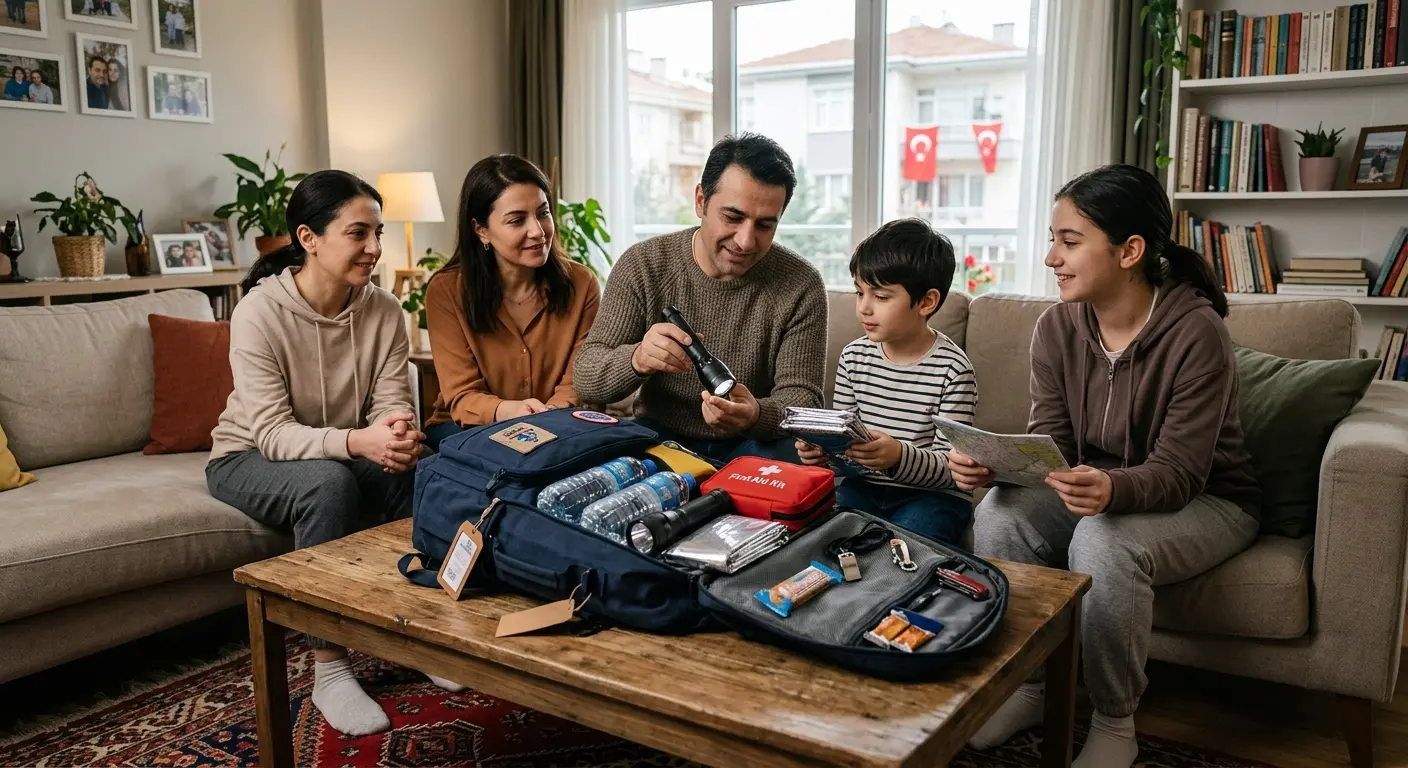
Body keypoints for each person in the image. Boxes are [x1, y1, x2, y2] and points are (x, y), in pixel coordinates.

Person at [952, 164, 1260, 768]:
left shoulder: (1196, 333)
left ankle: (1116, 721)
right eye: (1052, 240)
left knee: (1103, 541)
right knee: (1000, 515)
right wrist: (1001, 468)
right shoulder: (1057, 328)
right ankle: (1033, 688)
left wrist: (1112, 488)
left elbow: (1181, 472)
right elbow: (1054, 444)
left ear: (1130, 250)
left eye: (1069, 242)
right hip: (1099, 489)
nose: (1050, 258)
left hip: (1211, 500)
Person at [206, 170, 459, 738]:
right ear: (308, 237)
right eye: (358, 234)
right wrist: (359, 442)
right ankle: (330, 667)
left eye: (379, 233)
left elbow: (393, 401)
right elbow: (271, 432)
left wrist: (395, 435)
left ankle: (418, 631)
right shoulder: (259, 313)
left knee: (426, 470)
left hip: (340, 447)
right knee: (328, 484)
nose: (374, 249)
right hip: (246, 455)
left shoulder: (385, 311)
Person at [573, 132, 828, 466]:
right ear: (700, 201)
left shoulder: (801, 284)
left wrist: (755, 415)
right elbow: (586, 377)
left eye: (765, 225)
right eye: (733, 217)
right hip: (658, 439)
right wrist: (637, 358)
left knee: (799, 468)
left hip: (752, 446)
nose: (746, 241)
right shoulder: (644, 265)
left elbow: (803, 401)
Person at [796, 219, 976, 545]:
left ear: (926, 302)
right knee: (817, 535)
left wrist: (898, 457)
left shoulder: (953, 370)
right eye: (859, 292)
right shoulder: (853, 358)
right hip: (862, 487)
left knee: (910, 547)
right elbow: (846, 445)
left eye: (880, 296)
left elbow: (953, 470)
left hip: (931, 497)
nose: (864, 307)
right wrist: (823, 452)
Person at [422, 154, 600, 450]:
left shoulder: (582, 284)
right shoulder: (446, 291)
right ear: (481, 230)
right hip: (469, 429)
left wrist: (544, 423)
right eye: (517, 220)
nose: (538, 231)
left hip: (559, 423)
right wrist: (512, 413)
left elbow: (577, 384)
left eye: (543, 213)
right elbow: (462, 397)